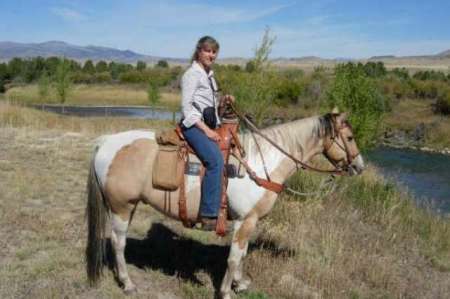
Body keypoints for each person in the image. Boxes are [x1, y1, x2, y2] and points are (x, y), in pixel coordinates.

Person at [180, 36, 234, 230]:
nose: (211, 55)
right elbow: (187, 108)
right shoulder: (192, 74)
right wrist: (207, 131)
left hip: (209, 125)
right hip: (193, 127)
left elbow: (210, 109)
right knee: (215, 160)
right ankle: (208, 214)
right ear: (199, 51)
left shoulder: (210, 75)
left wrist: (223, 103)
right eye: (207, 50)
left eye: (214, 51)